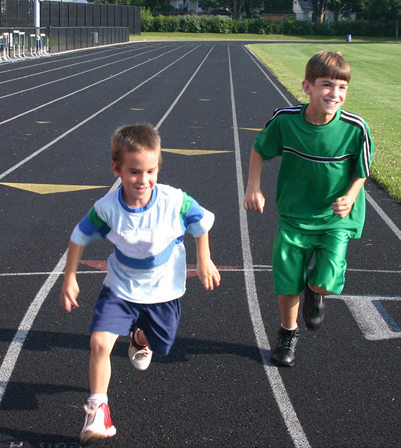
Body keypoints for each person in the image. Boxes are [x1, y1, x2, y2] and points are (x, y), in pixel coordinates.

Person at [59, 123, 221, 444]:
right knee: (99, 343)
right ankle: (98, 409)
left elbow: (200, 222)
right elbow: (78, 237)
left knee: (162, 344)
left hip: (163, 289)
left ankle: (139, 337)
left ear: (159, 168)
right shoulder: (106, 209)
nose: (143, 180)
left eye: (150, 171)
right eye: (134, 172)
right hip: (120, 287)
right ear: (116, 169)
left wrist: (204, 259)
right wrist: (69, 277)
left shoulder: (174, 201)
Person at [243, 50, 374, 367]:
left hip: (335, 219)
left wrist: (352, 195)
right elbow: (260, 150)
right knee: (287, 283)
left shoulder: (356, 128)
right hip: (294, 218)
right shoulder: (286, 121)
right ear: (307, 86)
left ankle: (315, 292)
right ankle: (288, 334)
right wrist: (253, 186)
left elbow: (363, 169)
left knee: (325, 282)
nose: (336, 94)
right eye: (327, 85)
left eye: (342, 87)